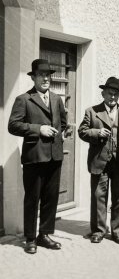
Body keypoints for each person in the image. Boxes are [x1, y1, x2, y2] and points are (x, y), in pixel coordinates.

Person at [8, 59, 67, 254]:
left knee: (51, 199)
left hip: (55, 157)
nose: (45, 79)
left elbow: (63, 123)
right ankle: (30, 238)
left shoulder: (57, 99)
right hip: (34, 158)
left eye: (48, 75)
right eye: (41, 75)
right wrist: (38, 129)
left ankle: (44, 235)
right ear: (33, 77)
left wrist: (62, 135)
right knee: (32, 199)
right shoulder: (23, 99)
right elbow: (13, 126)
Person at [78, 77, 119, 245]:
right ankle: (98, 231)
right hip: (100, 161)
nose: (112, 97)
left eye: (116, 94)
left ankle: (118, 232)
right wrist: (96, 133)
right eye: (109, 94)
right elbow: (82, 131)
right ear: (103, 93)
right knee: (98, 197)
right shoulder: (92, 111)